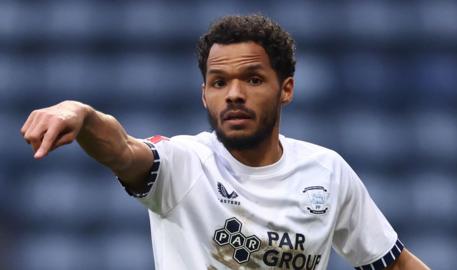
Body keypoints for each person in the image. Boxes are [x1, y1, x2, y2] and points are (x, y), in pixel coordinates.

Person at [21, 14, 429, 270]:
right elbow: (123, 150)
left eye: (252, 79)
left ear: (285, 89)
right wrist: (81, 113)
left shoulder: (327, 171)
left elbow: (394, 263)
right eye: (219, 82)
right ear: (204, 95)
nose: (233, 94)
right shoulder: (185, 164)